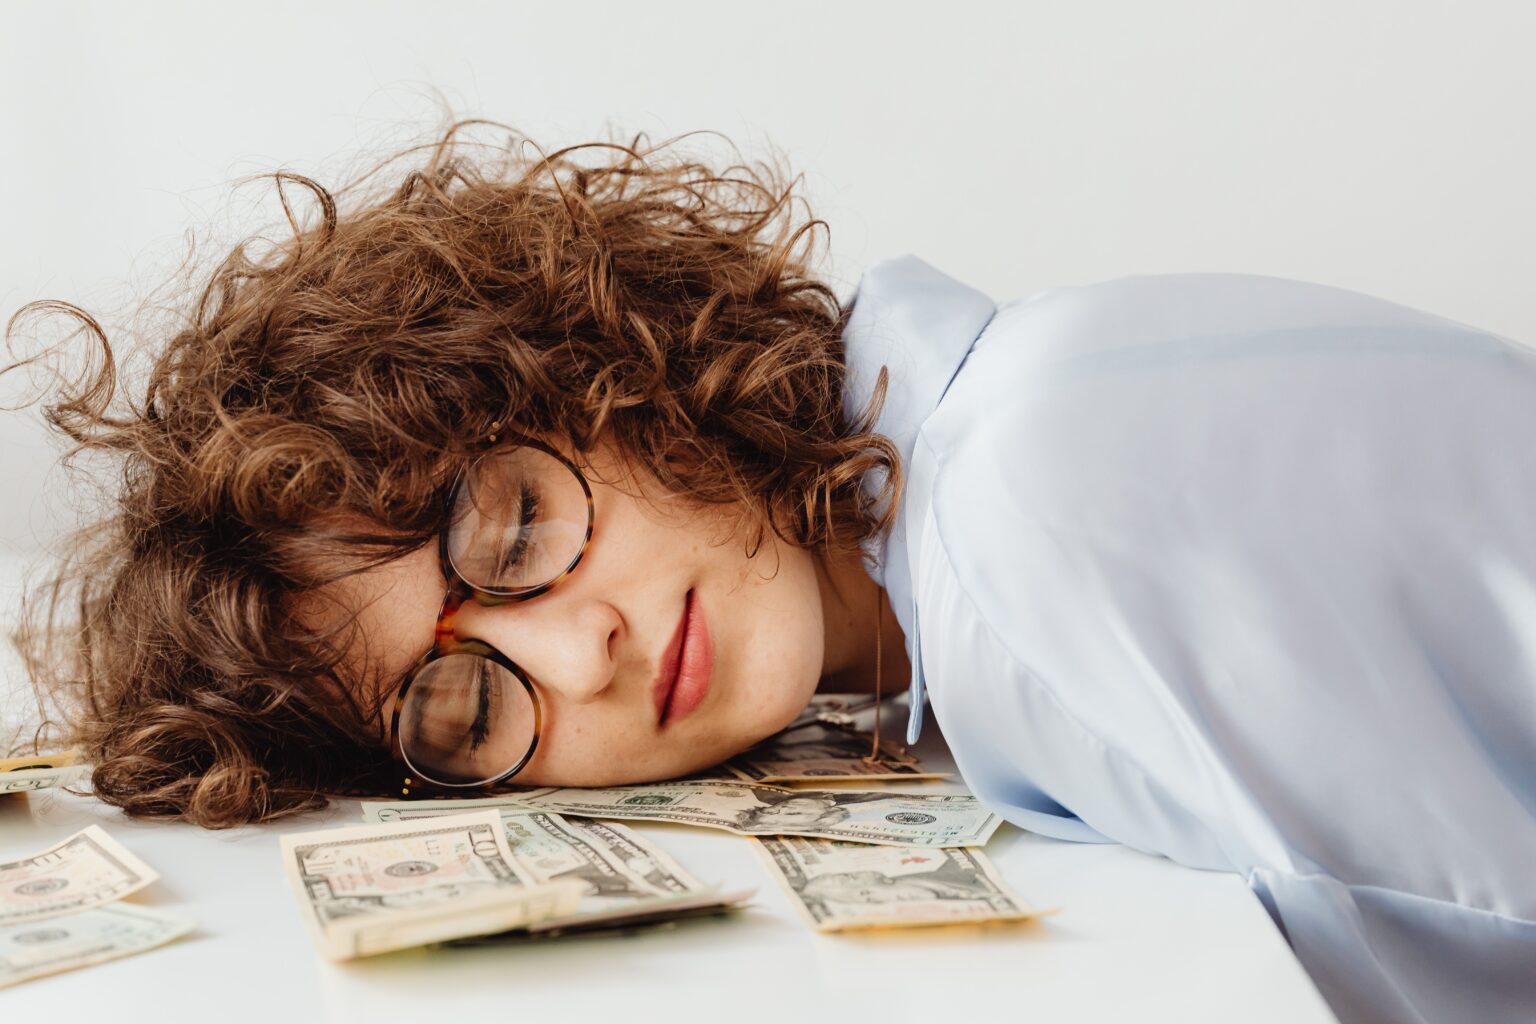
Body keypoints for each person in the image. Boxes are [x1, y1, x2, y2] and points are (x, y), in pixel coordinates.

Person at [7, 120, 1533, 1024]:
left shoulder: (1021, 518)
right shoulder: (977, 489)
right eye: (468, 713)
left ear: (609, 365)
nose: (579, 662)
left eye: (518, 531)